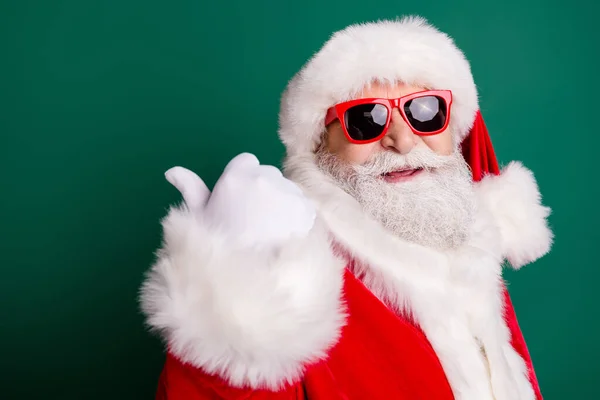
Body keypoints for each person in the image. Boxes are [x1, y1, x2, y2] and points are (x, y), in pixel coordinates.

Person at [139, 15, 553, 400]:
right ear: (321, 144)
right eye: (365, 119)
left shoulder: (472, 243)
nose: (403, 141)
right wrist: (237, 287)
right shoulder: (295, 275)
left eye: (425, 111)